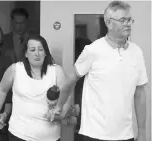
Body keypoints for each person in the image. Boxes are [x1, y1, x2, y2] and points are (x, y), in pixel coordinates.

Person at [52, 1, 148, 141]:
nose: (128, 23)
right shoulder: (92, 50)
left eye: (129, 20)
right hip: (94, 134)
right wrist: (59, 107)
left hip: (125, 135)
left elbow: (140, 93)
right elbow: (71, 81)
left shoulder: (137, 52)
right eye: (123, 20)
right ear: (109, 23)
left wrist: (143, 131)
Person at [0, 34, 74, 141]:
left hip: (50, 137)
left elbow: (67, 94)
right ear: (26, 53)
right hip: (19, 134)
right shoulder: (15, 69)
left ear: (45, 53)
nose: (37, 53)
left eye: (41, 49)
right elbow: (2, 91)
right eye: (32, 50)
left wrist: (62, 113)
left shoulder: (56, 71)